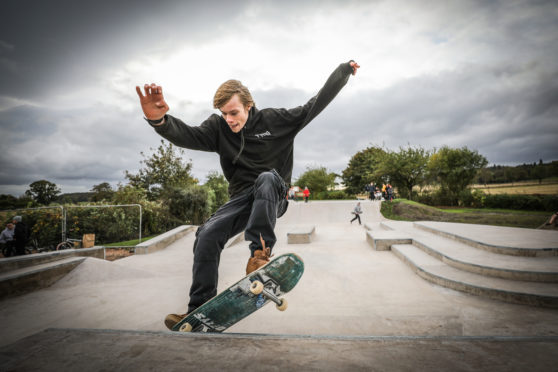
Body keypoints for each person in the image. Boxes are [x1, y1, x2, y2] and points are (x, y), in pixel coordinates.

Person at [136, 60, 360, 330]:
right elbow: (189, 135)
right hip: (241, 198)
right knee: (207, 234)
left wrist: (343, 72)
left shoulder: (276, 121)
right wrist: (158, 121)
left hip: (273, 194)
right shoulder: (218, 129)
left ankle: (259, 256)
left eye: (233, 113)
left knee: (266, 177)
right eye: (224, 114)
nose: (229, 120)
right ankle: (198, 310)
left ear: (248, 106)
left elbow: (315, 104)